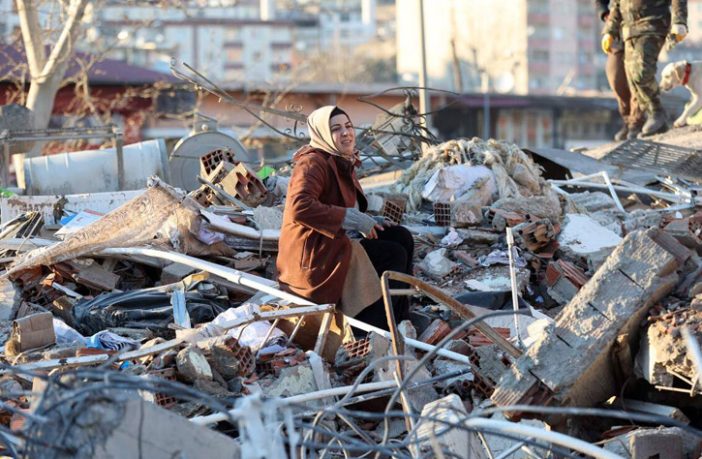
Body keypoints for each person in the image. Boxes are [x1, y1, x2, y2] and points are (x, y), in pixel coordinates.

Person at [276, 105, 414, 331]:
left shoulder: (341, 159)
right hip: (317, 254)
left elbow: (343, 205)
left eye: (348, 126)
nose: (346, 133)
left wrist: (369, 219)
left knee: (401, 237)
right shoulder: (312, 163)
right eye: (336, 129)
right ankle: (371, 329)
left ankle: (400, 320)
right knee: (392, 255)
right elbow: (299, 206)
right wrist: (351, 219)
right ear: (322, 133)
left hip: (336, 241)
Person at [603, 0, 688, 137]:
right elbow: (616, 5)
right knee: (632, 79)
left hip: (652, 24)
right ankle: (656, 123)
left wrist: (679, 21)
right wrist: (610, 31)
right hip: (629, 30)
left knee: (641, 72)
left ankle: (656, 111)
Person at [596, 0, 643, 140]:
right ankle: (628, 119)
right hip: (617, 27)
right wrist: (605, 13)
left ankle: (637, 122)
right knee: (616, 77)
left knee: (638, 76)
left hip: (641, 26)